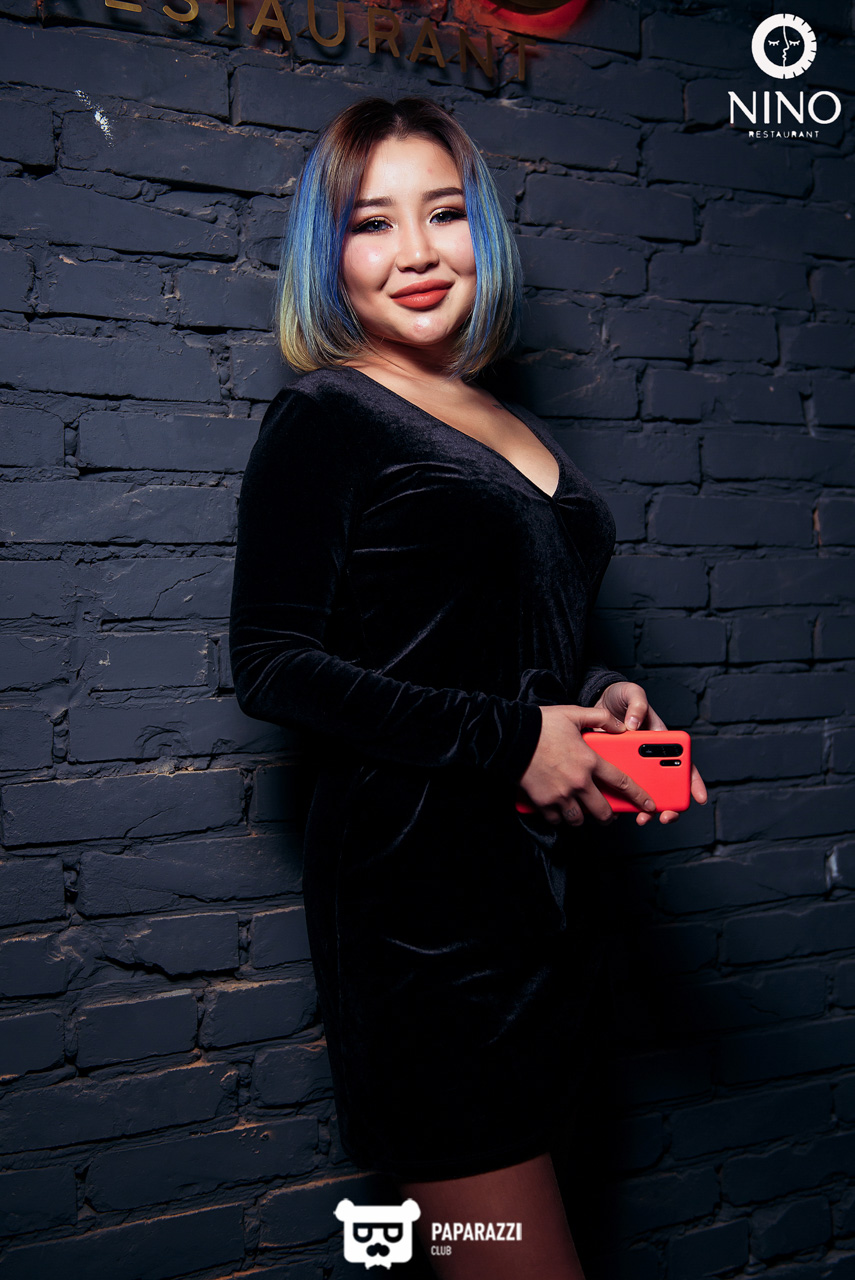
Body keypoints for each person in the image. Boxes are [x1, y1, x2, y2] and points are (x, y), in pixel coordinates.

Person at [229, 95, 707, 1279]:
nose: (417, 251)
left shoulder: (503, 418)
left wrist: (603, 689)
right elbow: (272, 663)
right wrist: (512, 739)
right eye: (372, 221)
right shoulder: (326, 415)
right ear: (327, 253)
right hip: (423, 926)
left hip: (549, 911)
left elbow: (502, 630)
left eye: (444, 213)